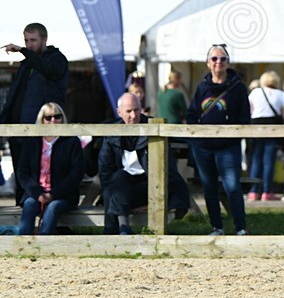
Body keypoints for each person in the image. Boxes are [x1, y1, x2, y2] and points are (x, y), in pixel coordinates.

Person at [98, 92, 191, 235]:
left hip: (151, 189)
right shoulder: (112, 134)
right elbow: (105, 173)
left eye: (136, 110)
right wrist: (113, 196)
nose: (133, 116)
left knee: (118, 182)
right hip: (121, 189)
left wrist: (151, 203)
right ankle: (124, 228)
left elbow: (168, 171)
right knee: (119, 177)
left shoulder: (153, 129)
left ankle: (115, 231)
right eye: (128, 111)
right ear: (119, 113)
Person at [186, 44, 251, 236]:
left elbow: (244, 117)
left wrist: (232, 132)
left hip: (228, 147)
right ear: (208, 63)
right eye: (214, 59)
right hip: (203, 147)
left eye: (222, 59)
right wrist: (197, 137)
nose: (218, 62)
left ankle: (240, 227)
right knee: (209, 188)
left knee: (232, 187)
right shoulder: (202, 87)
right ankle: (217, 227)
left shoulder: (237, 87)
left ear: (228, 62)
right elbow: (191, 115)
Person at [3, 23, 69, 203]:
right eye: (26, 40)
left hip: (41, 132)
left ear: (44, 39)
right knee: (21, 176)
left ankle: (45, 222)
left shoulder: (57, 59)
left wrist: (23, 50)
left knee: (39, 178)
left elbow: (46, 68)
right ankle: (21, 223)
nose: (29, 44)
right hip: (18, 131)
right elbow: (14, 96)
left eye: (33, 40)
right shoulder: (26, 64)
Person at [16, 102, 84, 235]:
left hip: (63, 195)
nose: (53, 120)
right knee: (29, 205)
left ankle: (44, 244)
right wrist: (37, 193)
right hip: (36, 193)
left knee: (53, 207)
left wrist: (53, 194)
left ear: (62, 118)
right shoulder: (32, 141)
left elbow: (76, 173)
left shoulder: (72, 141)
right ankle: (22, 245)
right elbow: (23, 172)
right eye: (48, 117)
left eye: (57, 116)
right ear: (41, 120)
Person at [246, 71, 284, 201]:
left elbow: (249, 111)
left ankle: (253, 191)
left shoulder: (255, 92)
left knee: (256, 159)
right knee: (268, 161)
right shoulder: (282, 95)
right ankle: (267, 191)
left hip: (256, 127)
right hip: (273, 127)